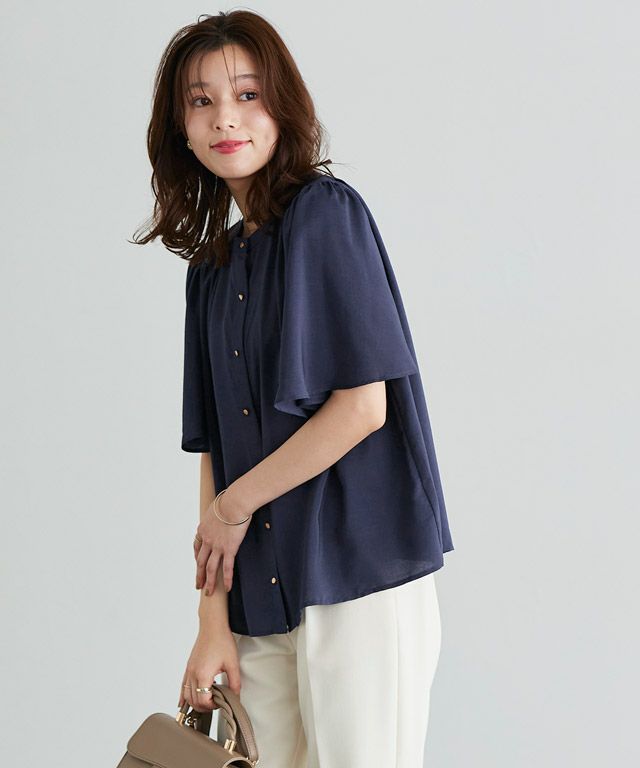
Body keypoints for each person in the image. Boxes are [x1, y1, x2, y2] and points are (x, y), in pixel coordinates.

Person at [133, 10, 454, 768]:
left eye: (247, 94)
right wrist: (211, 619)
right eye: (202, 102)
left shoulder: (326, 214)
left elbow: (362, 407)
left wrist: (233, 508)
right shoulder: (211, 271)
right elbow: (215, 447)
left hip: (356, 571)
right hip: (258, 595)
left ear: (283, 105)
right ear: (180, 128)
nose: (226, 118)